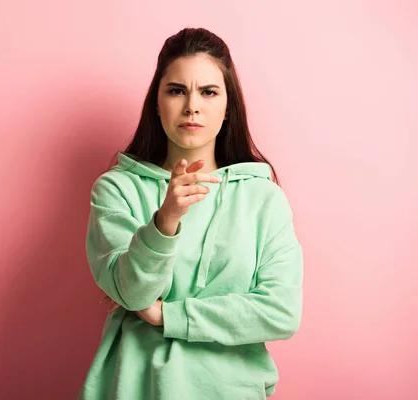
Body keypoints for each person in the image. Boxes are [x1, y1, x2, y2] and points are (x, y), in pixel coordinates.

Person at [77, 27, 303, 400]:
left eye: (209, 92)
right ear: (157, 101)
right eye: (177, 90)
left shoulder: (264, 198)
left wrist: (168, 316)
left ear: (228, 106)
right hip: (136, 387)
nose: (192, 106)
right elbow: (134, 294)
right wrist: (165, 221)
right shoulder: (117, 189)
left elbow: (281, 311)